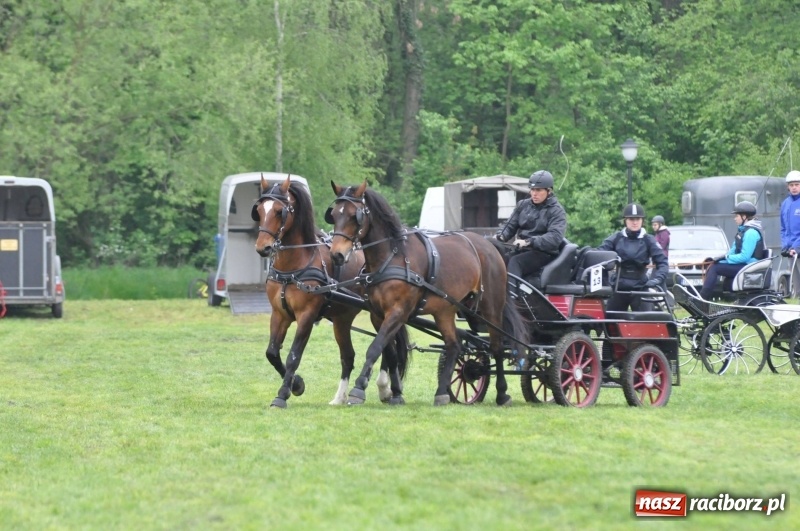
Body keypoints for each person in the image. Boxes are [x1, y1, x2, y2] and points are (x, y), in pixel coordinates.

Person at [495, 170, 567, 280]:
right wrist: (501, 235)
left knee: (515, 262)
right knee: (498, 260)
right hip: (521, 250)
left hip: (544, 254)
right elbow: (509, 225)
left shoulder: (557, 211)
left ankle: (511, 291)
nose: (534, 193)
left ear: (549, 191)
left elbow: (554, 237)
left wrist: (529, 242)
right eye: (532, 189)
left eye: (538, 190)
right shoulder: (523, 205)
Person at [598, 203, 668, 312]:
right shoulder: (616, 238)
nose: (635, 222)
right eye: (631, 219)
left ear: (642, 221)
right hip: (618, 287)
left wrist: (657, 279)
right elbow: (599, 254)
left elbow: (663, 262)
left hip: (641, 287)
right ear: (625, 220)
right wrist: (605, 280)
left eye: (638, 219)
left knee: (646, 320)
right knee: (610, 320)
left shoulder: (649, 240)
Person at [698, 201, 765, 300]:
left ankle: (702, 298)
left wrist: (726, 258)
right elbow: (732, 252)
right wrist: (719, 260)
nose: (735, 218)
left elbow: (745, 256)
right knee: (713, 265)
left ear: (744, 217)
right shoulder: (742, 231)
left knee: (715, 269)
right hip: (743, 265)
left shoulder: (751, 233)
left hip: (749, 267)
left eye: (737, 216)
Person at [780, 170, 800, 296]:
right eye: (791, 185)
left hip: (798, 246)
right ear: (788, 187)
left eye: (797, 184)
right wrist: (785, 245)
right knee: (796, 281)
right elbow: (783, 228)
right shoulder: (785, 204)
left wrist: (797, 246)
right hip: (791, 249)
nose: (794, 187)